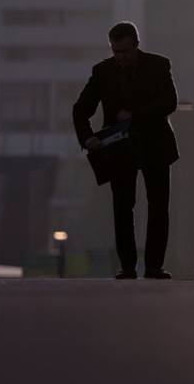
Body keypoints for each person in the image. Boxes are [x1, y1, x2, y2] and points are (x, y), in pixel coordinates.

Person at [72, 21, 180, 279]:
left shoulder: (158, 65)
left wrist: (134, 116)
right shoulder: (103, 72)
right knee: (122, 208)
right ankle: (128, 266)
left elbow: (169, 102)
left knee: (158, 207)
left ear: (136, 45)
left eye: (125, 51)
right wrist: (87, 138)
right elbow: (80, 109)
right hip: (119, 149)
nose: (120, 56)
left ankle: (154, 266)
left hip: (155, 144)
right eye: (115, 51)